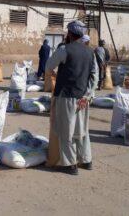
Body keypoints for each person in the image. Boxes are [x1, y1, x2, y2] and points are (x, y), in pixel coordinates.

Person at [46, 20, 98, 175]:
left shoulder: (64, 50)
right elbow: (94, 77)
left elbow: (49, 65)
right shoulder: (90, 52)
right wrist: (88, 95)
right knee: (82, 130)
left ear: (69, 34)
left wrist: (55, 73)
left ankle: (70, 164)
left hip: (66, 96)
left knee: (66, 131)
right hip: (83, 98)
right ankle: (86, 160)